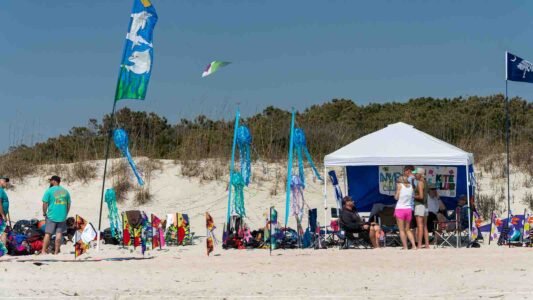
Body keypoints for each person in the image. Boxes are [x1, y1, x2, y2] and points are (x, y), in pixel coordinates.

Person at [41, 175, 71, 255]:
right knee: (59, 234)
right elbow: (68, 205)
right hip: (62, 216)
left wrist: (44, 212)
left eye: (51, 180)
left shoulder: (49, 191)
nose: (50, 182)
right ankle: (56, 252)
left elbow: (45, 203)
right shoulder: (65, 191)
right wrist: (65, 214)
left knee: (48, 234)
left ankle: (43, 251)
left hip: (51, 215)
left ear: (54, 181)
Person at [394, 175, 417, 250]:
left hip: (400, 209)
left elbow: (396, 197)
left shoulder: (400, 185)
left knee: (401, 230)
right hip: (408, 209)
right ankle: (414, 245)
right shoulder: (411, 186)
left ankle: (405, 246)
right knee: (407, 229)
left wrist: (397, 192)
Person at [413, 167, 429, 249]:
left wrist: (413, 196)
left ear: (420, 174)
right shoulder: (425, 182)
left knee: (420, 226)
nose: (415, 175)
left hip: (419, 205)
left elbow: (421, 196)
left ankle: (419, 245)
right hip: (425, 206)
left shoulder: (419, 183)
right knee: (425, 226)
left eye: (416, 173)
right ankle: (427, 244)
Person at [0, 177, 10, 245]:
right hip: (0, 215)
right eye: (5, 181)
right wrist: (3, 215)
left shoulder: (2, 190)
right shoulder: (0, 190)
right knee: (4, 232)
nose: (6, 183)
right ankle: (3, 252)